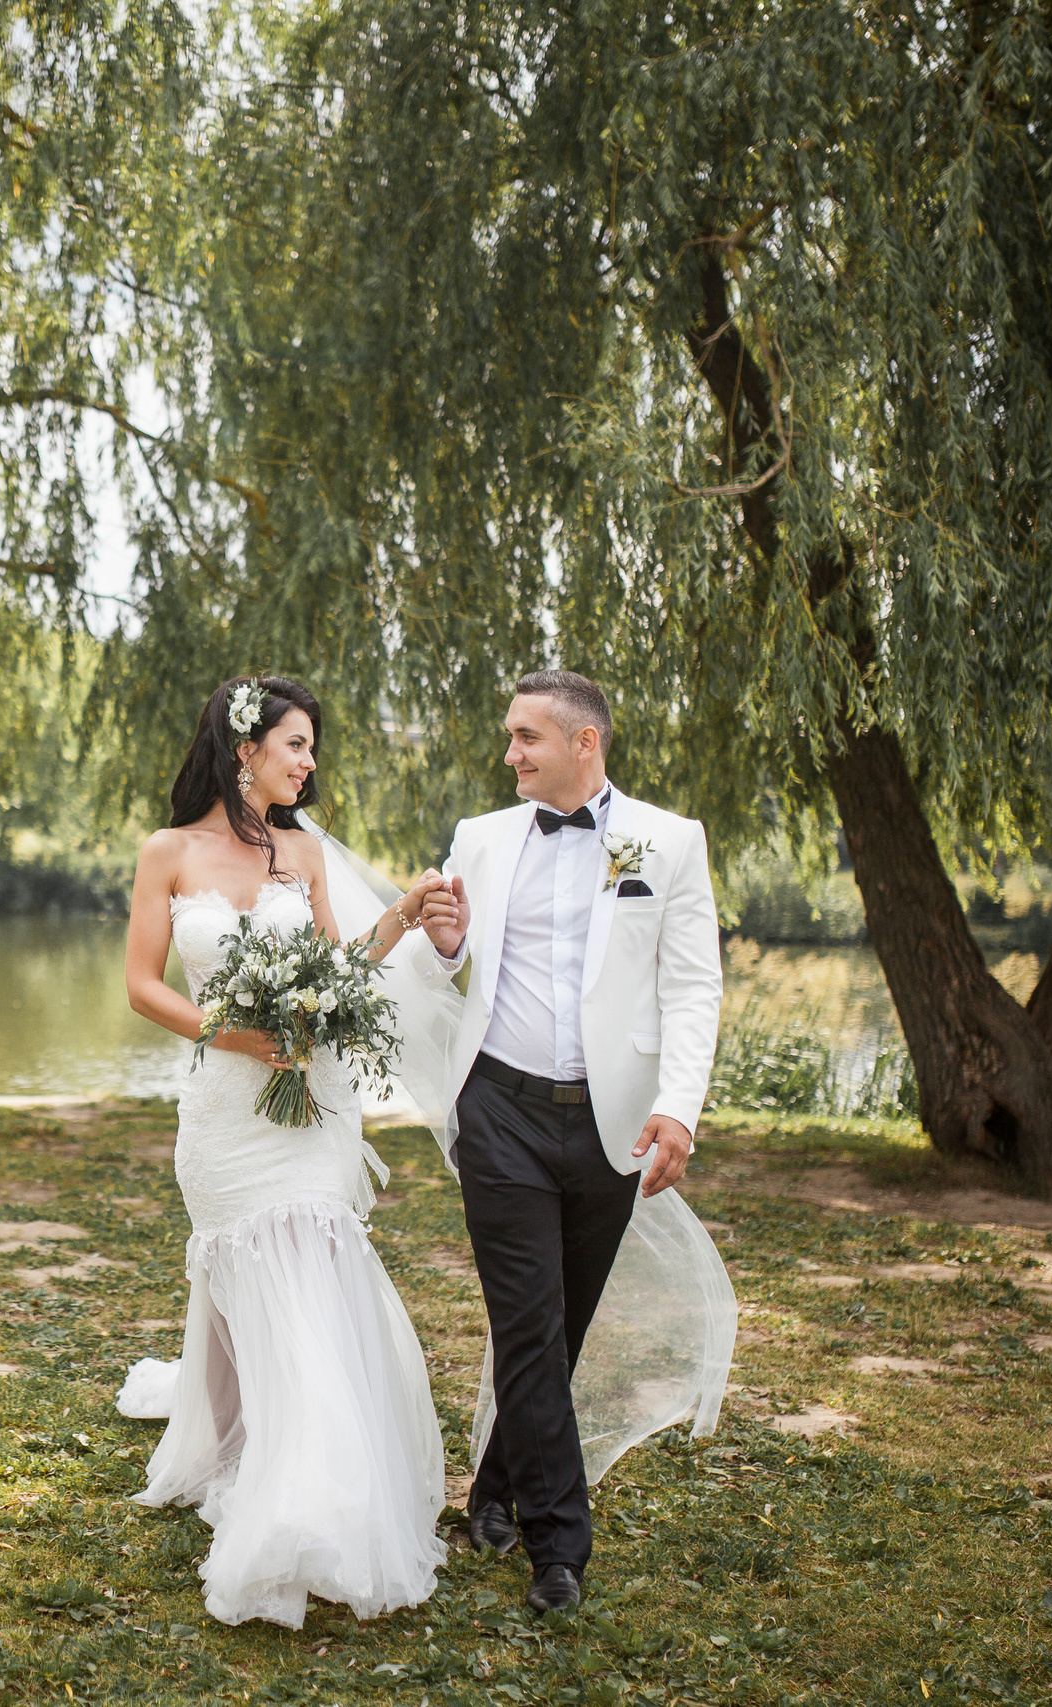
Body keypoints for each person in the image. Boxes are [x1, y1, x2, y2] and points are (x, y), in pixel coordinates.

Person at [113, 674, 453, 1630]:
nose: (309, 763)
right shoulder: (167, 852)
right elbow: (143, 985)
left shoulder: (302, 854)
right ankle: (258, 1451)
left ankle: (314, 1493)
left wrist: (403, 916)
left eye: (311, 748)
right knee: (254, 1280)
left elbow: (339, 974)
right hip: (224, 1117)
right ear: (243, 749)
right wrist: (233, 1032)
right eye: (297, 745)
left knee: (309, 1266)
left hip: (307, 1111)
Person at [404, 669, 724, 1615]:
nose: (509, 754)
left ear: (584, 743)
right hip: (498, 1107)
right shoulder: (481, 837)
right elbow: (441, 961)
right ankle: (559, 1548)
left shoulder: (667, 842)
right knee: (530, 1321)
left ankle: (494, 1485)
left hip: (609, 1120)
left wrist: (679, 1107)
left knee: (559, 1326)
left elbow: (693, 987)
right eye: (509, 736)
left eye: (525, 738)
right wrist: (449, 941)